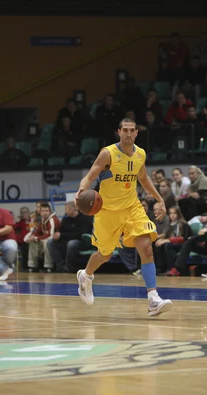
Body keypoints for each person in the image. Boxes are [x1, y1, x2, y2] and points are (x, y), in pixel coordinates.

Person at [74, 118, 172, 316]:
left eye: (132, 130)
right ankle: (85, 276)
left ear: (137, 133)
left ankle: (153, 298)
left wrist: (160, 199)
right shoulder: (108, 154)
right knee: (105, 255)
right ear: (119, 132)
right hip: (107, 212)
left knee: (146, 247)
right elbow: (90, 175)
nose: (128, 133)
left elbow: (143, 178)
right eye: (125, 130)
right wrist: (82, 189)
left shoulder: (140, 154)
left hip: (132, 208)